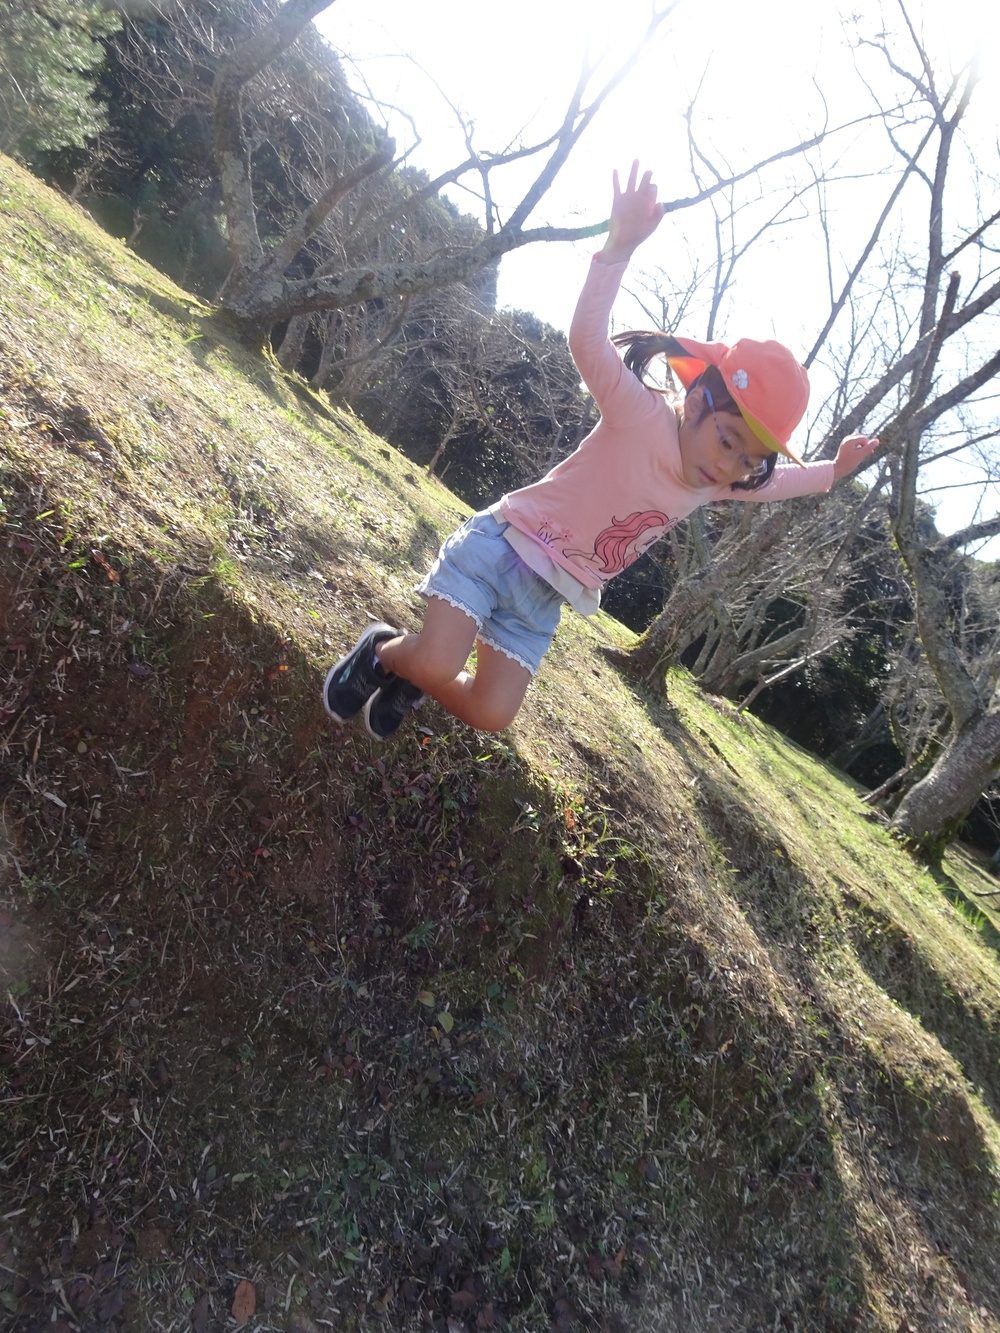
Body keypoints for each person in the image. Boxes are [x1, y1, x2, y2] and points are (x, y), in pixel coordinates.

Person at [324, 161, 879, 740]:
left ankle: (416, 677)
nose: (732, 464)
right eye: (728, 440)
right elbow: (587, 341)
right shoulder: (638, 413)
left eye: (748, 460)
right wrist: (616, 250)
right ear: (695, 405)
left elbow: (779, 484)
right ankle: (386, 656)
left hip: (546, 596)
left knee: (491, 715)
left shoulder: (717, 481)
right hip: (502, 547)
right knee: (439, 661)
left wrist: (833, 473)